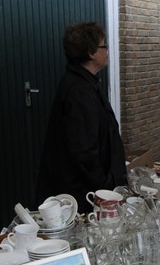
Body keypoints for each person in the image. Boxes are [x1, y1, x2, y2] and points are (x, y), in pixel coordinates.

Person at [36, 22, 127, 214]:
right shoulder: (79, 91)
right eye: (104, 45)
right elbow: (84, 150)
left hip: (86, 188)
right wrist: (103, 190)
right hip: (82, 194)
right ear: (91, 53)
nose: (107, 50)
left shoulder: (84, 82)